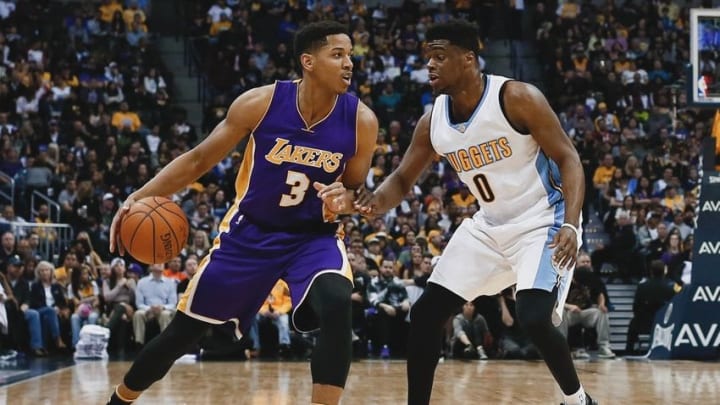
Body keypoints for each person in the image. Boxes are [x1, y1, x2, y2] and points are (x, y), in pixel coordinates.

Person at [106, 20, 377, 405]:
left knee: (336, 301)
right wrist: (136, 196)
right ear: (308, 61)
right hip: (250, 232)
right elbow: (199, 159)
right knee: (182, 334)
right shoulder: (260, 103)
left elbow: (354, 190)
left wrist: (345, 200)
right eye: (338, 54)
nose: (349, 63)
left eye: (350, 55)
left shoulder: (361, 121)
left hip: (312, 237)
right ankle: (118, 400)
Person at [354, 20, 596, 405]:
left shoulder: (517, 97)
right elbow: (401, 180)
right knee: (426, 314)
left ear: (468, 59)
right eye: (427, 58)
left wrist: (570, 221)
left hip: (541, 221)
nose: (429, 66)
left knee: (532, 316)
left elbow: (569, 158)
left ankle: (578, 399)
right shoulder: (432, 120)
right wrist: (369, 202)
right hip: (489, 225)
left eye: (439, 56)